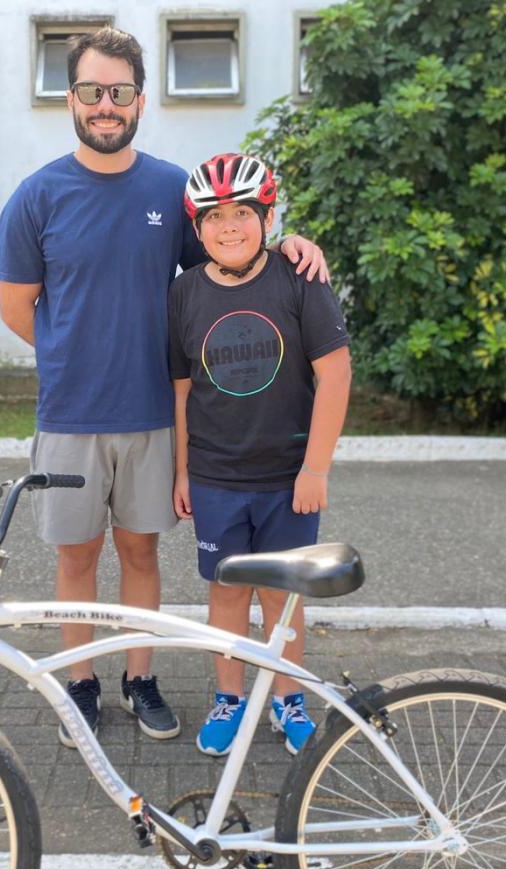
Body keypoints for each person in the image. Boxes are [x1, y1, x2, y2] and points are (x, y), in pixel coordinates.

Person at [0, 29, 329, 749]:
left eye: (119, 91)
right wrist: (75, 354)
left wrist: (291, 244)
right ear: (71, 98)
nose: (105, 104)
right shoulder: (36, 197)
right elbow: (17, 308)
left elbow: (229, 248)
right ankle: (82, 684)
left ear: (140, 101)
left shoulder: (169, 191)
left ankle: (139, 680)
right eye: (92, 90)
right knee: (76, 557)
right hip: (71, 416)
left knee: (141, 554)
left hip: (153, 415)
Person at [169, 152, 352, 757]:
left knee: (282, 596)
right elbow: (182, 389)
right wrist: (183, 471)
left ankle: (288, 699)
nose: (229, 227)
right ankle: (230, 698)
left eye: (243, 213)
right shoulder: (184, 293)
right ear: (197, 229)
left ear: (268, 218)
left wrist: (316, 468)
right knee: (226, 592)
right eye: (214, 217)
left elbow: (336, 374)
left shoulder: (300, 279)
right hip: (216, 476)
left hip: (287, 478)